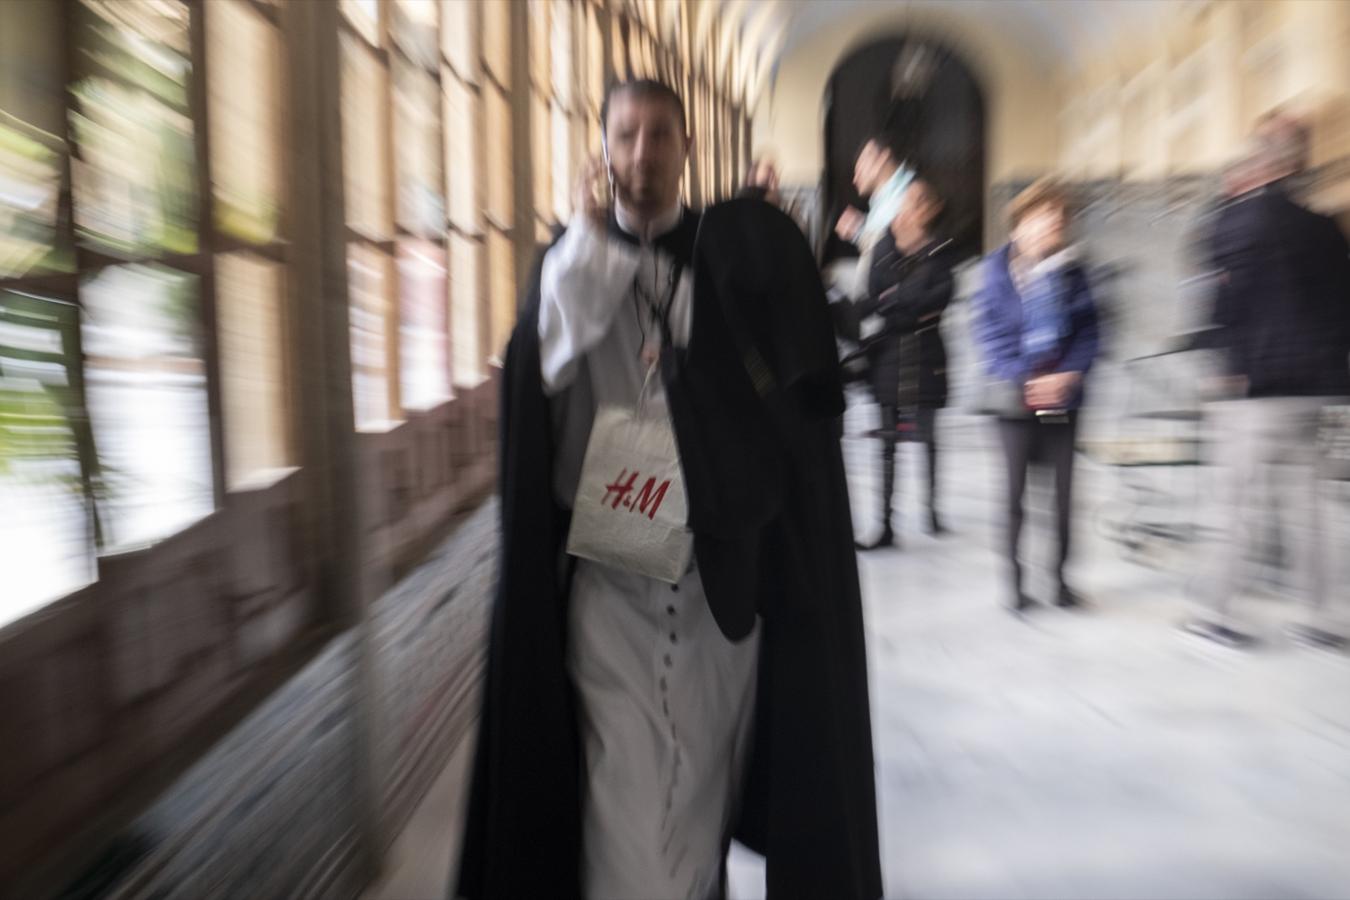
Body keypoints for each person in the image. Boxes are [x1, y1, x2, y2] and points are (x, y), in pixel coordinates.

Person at [454, 78, 882, 900]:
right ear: (602, 150)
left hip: (716, 579)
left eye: (658, 135)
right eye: (624, 136)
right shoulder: (567, 265)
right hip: (614, 578)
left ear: (687, 147)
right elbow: (539, 376)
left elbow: (790, 404)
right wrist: (589, 248)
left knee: (696, 811)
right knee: (624, 816)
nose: (641, 154)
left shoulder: (731, 262)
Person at [1184, 123, 1350, 650]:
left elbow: (1222, 298)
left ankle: (1216, 614)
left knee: (1232, 505)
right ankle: (1324, 619)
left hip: (1254, 388)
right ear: (1298, 165)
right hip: (1318, 389)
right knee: (1312, 508)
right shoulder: (1326, 228)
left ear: (1260, 165)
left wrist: (1224, 360)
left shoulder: (1235, 220)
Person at [972, 178, 1100, 613]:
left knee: (1063, 499)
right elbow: (988, 336)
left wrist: (1068, 374)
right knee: (1014, 498)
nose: (1052, 227)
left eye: (1058, 220)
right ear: (1020, 223)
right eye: (1043, 218)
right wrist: (1025, 377)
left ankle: (1060, 581)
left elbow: (1090, 330)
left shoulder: (1073, 270)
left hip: (1062, 400)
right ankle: (1015, 583)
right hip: (1014, 402)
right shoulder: (994, 271)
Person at [849, 178, 956, 549]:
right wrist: (904, 303)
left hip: (927, 358)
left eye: (911, 203)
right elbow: (874, 295)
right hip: (888, 357)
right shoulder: (883, 246)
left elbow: (938, 298)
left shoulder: (940, 251)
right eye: (902, 203)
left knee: (927, 439)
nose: (903, 210)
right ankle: (885, 525)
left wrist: (897, 301)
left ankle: (931, 509)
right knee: (887, 443)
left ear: (927, 210)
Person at [835, 135, 915, 298]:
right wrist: (859, 230)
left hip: (884, 296)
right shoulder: (884, 196)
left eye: (860, 168)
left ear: (882, 158)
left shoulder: (907, 197)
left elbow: (886, 255)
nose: (855, 178)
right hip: (876, 283)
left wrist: (859, 233)